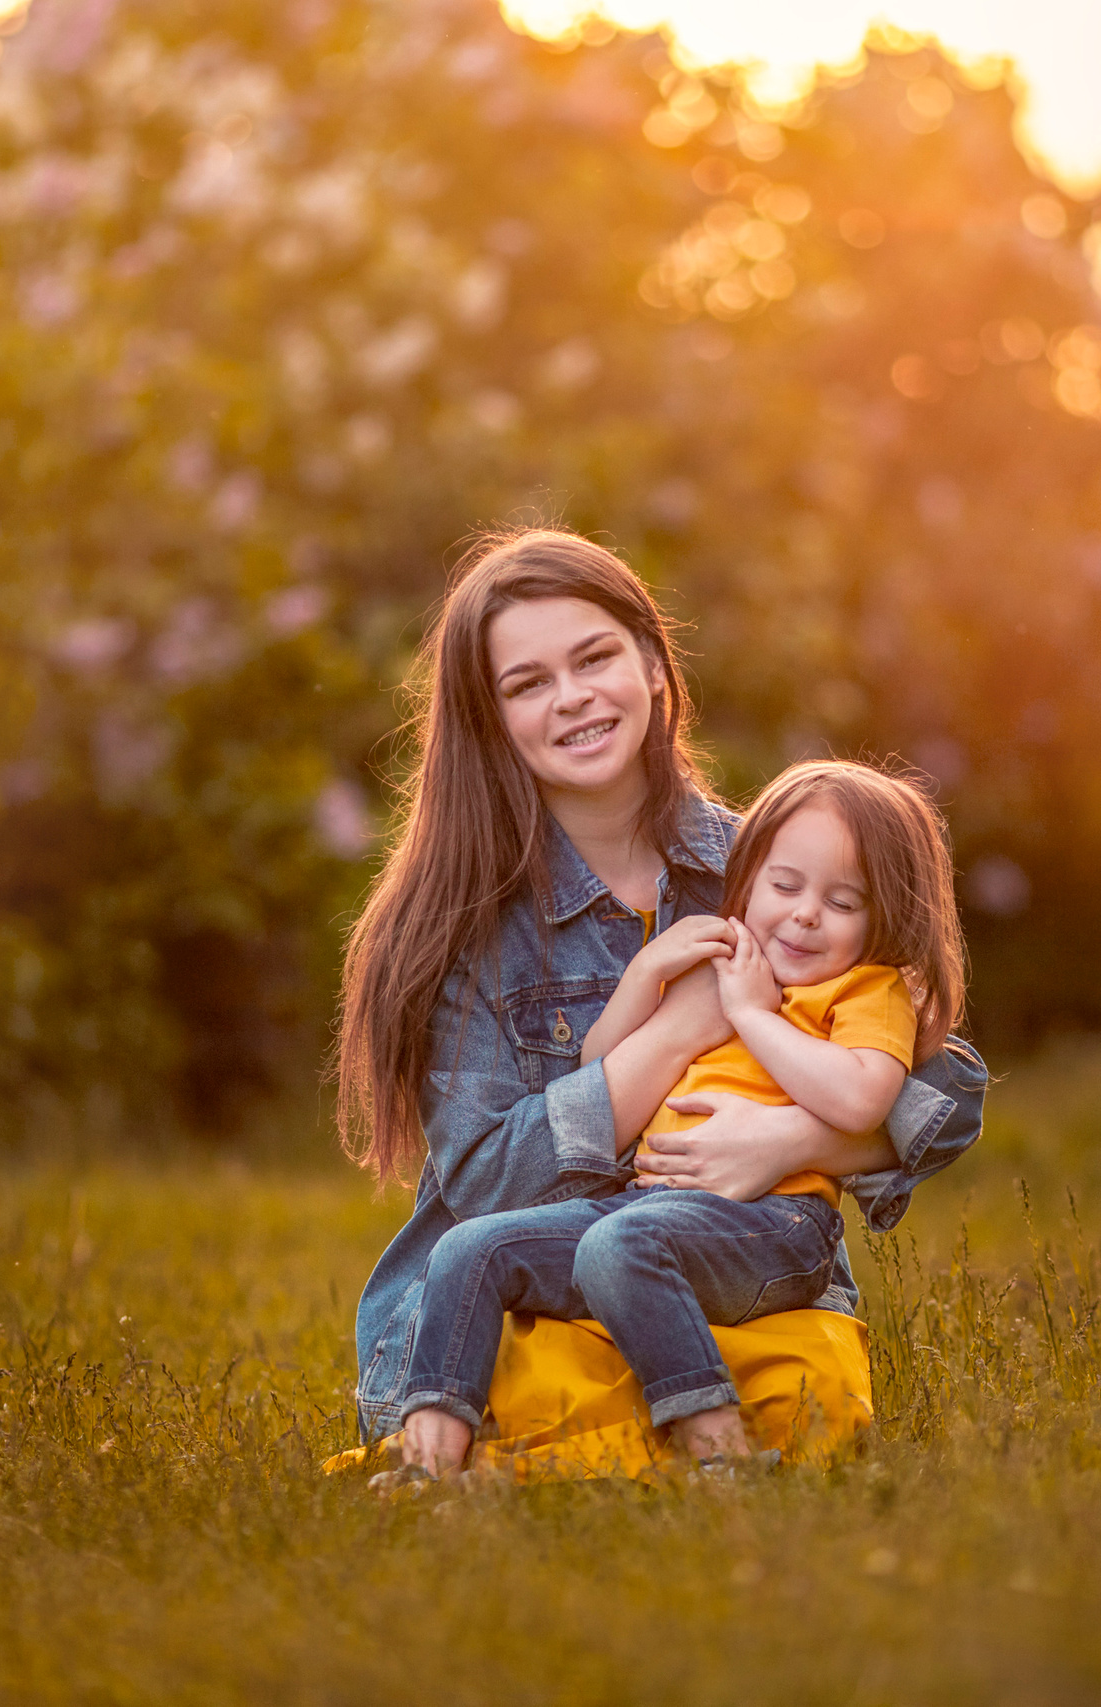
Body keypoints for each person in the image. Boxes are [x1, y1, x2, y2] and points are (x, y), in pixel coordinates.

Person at [333, 526, 987, 1474]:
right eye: (527, 683)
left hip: (714, 1276)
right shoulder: (457, 920)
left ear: (649, 661)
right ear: (491, 716)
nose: (573, 698)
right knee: (537, 1369)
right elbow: (485, 1183)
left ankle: (636, 1448)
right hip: (523, 1292)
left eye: (594, 656)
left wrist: (796, 1141)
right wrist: (683, 1028)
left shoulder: (767, 871)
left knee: (783, 1376)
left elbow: (949, 1091)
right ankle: (478, 1457)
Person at [389, 760, 968, 1477]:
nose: (805, 913)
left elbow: (860, 1098)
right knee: (470, 1249)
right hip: (646, 1207)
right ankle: (427, 1467)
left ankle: (718, 1454)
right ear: (748, 876)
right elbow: (597, 1067)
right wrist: (645, 980)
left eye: (843, 901)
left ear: (886, 918)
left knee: (618, 1246)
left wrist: (754, 1019)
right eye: (785, 886)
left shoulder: (865, 990)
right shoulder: (728, 958)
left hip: (775, 1223)